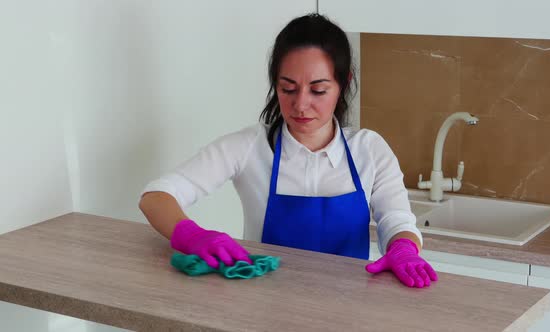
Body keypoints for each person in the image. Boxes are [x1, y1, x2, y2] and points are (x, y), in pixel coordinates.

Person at [139, 13, 438, 288]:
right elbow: (156, 197)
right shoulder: (248, 148)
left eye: (318, 90)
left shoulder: (369, 150)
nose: (301, 104)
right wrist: (193, 236)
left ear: (343, 84)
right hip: (265, 310)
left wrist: (402, 248)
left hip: (350, 313)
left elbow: (397, 221)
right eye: (288, 88)